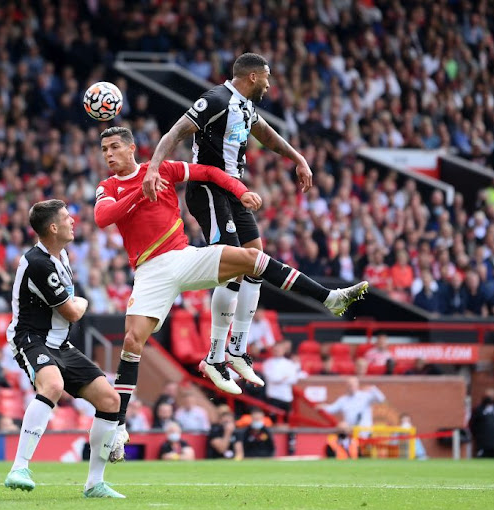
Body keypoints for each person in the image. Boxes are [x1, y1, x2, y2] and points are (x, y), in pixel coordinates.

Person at [94, 126, 368, 462]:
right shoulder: (108, 187)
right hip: (150, 272)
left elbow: (207, 171)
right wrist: (141, 191)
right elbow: (102, 217)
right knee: (132, 343)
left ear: (132, 148)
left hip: (184, 257)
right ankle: (118, 427)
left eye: (115, 147)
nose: (109, 154)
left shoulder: (163, 168)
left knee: (252, 259)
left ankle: (329, 298)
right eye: (104, 149)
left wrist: (240, 190)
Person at [142, 53, 353, 391]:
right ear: (253, 77)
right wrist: (153, 168)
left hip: (234, 191)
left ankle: (236, 349)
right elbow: (176, 132)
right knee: (233, 264)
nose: (270, 85)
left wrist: (298, 158)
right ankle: (214, 356)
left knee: (254, 260)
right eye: (267, 78)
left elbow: (266, 134)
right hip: (209, 190)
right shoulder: (216, 100)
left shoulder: (244, 106)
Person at [3, 199, 124, 498]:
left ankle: (95, 483)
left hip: (61, 344)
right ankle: (19, 467)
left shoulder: (62, 255)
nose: (73, 221)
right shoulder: (39, 262)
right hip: (31, 338)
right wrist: (81, 303)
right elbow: (72, 311)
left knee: (110, 400)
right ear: (53, 227)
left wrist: (76, 303)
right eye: (68, 218)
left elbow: (69, 306)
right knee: (52, 384)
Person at [318, 377, 386, 429]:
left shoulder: (365, 396)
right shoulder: (343, 400)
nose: (351, 387)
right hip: (351, 433)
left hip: (365, 432)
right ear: (346, 386)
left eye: (353, 385)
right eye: (350, 385)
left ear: (357, 385)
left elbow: (381, 399)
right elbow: (332, 409)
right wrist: (323, 407)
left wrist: (373, 389)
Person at [469, 388, 494, 458]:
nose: (490, 398)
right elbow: (472, 424)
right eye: (488, 396)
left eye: (492, 396)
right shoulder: (478, 409)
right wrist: (477, 435)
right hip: (482, 442)